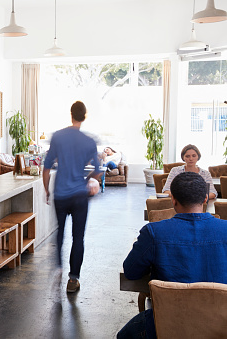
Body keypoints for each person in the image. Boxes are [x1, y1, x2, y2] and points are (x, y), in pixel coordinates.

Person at [117, 172, 227, 339]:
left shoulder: (154, 232)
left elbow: (131, 272)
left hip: (168, 321)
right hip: (220, 322)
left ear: (173, 199)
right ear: (205, 198)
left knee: (125, 335)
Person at [42, 101, 102, 293]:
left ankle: (59, 268)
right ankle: (73, 279)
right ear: (84, 116)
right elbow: (98, 172)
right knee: (78, 237)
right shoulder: (89, 141)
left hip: (60, 193)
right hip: (79, 195)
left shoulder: (58, 136)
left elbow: (47, 167)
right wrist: (87, 181)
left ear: (71, 114)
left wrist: (47, 190)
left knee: (60, 233)